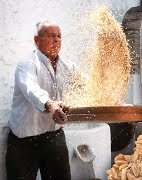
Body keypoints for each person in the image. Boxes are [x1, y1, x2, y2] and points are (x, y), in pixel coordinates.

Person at [6, 20, 73, 180]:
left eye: (59, 36)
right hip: (24, 142)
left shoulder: (67, 66)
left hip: (54, 137)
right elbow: (31, 89)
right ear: (37, 40)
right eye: (51, 36)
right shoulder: (27, 63)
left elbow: (85, 83)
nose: (56, 40)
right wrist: (51, 105)